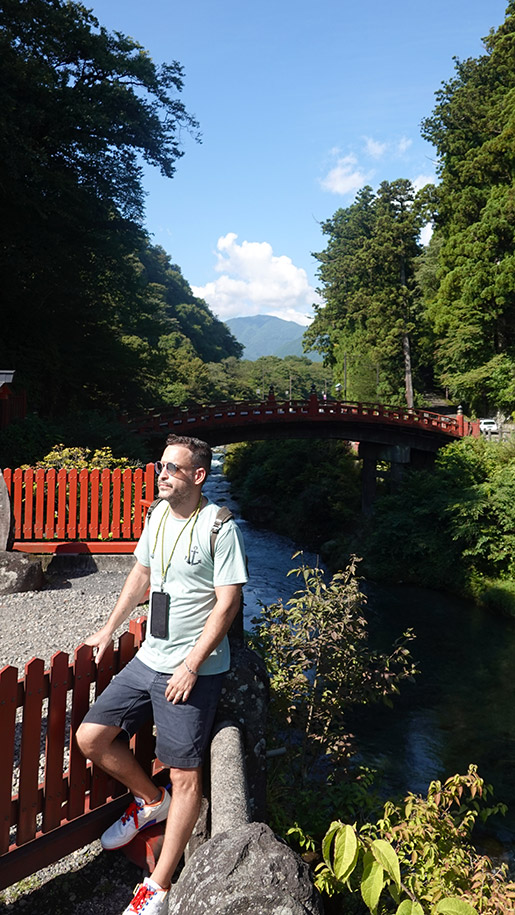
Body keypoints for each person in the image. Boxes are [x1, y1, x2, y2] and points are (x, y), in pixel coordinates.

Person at [76, 435, 248, 915]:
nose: (162, 474)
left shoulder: (220, 528)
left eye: (173, 467)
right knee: (91, 737)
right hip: (150, 656)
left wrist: (192, 665)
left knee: (186, 776)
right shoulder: (156, 516)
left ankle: (160, 883)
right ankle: (152, 801)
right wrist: (109, 629)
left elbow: (228, 602)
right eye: (160, 465)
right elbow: (141, 574)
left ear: (198, 475)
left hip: (194, 669)